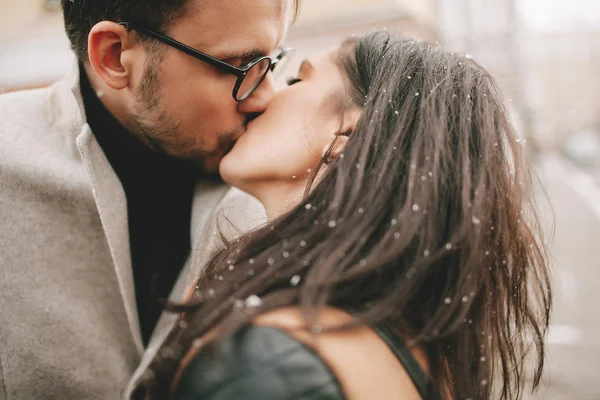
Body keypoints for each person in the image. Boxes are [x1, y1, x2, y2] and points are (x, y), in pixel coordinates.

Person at [142, 32, 552, 400]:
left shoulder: (272, 364)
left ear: (347, 136)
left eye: (297, 80)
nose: (262, 95)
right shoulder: (406, 345)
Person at [0, 0, 299, 398]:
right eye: (240, 65)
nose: (265, 97)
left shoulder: (278, 177)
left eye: (272, 60)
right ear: (114, 56)